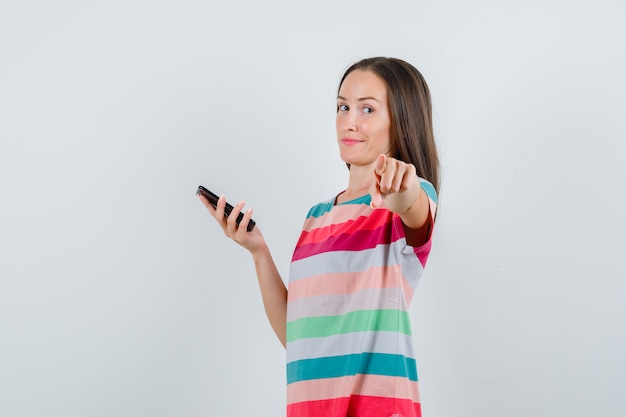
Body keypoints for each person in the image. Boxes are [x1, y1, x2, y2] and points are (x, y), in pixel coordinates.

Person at [198, 56, 440, 417]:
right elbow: (298, 339)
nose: (349, 121)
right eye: (343, 106)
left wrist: (401, 187)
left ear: (401, 123)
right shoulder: (316, 217)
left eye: (367, 109)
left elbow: (412, 203)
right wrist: (258, 251)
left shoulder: (407, 199)